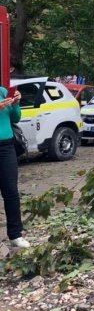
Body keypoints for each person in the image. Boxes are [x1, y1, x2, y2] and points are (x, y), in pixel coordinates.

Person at [0, 86, 29, 248]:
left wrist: (16, 103)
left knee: (11, 191)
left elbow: (15, 118)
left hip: (6, 147)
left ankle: (15, 235)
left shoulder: (2, 91)